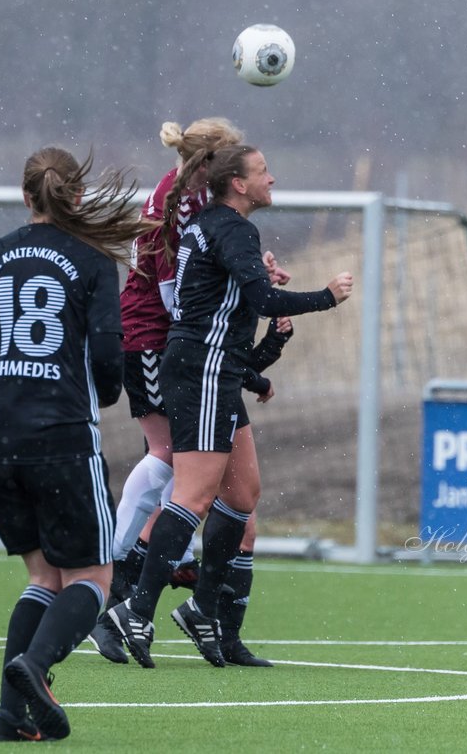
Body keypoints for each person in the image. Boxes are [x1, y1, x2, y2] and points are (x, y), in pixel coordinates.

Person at [108, 144, 352, 669]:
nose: (273, 178)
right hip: (201, 373)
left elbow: (228, 302)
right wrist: (326, 296)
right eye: (264, 172)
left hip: (214, 369)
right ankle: (134, 608)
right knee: (192, 495)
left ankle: (200, 607)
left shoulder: (212, 228)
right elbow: (260, 301)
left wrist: (256, 362)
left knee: (242, 497)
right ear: (237, 184)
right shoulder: (231, 228)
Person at [0, 147, 150, 742]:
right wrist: (102, 393)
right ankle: (35, 666)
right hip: (59, 432)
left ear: (25, 195)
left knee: (43, 576)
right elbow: (109, 354)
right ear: (76, 196)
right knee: (93, 578)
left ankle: (10, 715)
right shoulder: (89, 261)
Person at [89, 118, 290, 667]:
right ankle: (112, 581)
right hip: (160, 339)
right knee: (171, 465)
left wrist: (253, 279)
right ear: (216, 167)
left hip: (199, 348)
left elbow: (213, 280)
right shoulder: (178, 199)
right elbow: (174, 290)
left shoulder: (202, 202)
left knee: (239, 500)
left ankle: (212, 620)